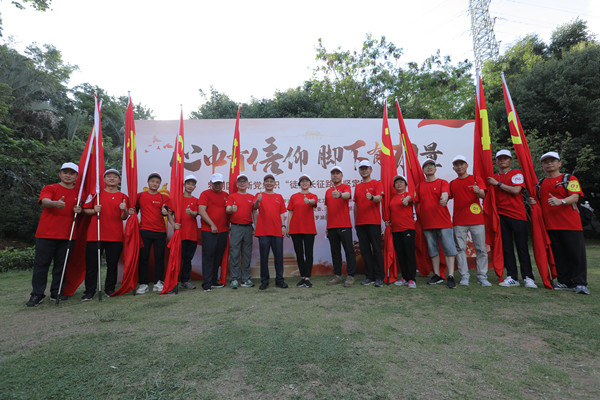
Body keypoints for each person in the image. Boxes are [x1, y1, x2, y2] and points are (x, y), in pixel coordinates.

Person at [530, 151, 589, 295]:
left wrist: (561, 201)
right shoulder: (540, 183)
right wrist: (533, 203)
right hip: (550, 225)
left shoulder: (569, 178)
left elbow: (575, 197)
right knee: (559, 255)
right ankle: (564, 281)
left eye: (553, 161)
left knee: (576, 254)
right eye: (546, 162)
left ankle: (580, 283)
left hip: (571, 224)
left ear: (559, 163)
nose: (549, 164)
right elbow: (539, 203)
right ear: (542, 166)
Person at [27, 162, 83, 307]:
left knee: (61, 266)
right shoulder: (50, 188)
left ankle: (56, 292)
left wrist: (80, 210)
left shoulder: (79, 192)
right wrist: (55, 203)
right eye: (65, 172)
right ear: (60, 174)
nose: (68, 175)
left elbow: (83, 209)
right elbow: (44, 201)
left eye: (72, 173)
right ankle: (37, 294)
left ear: (76, 176)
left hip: (68, 235)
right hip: (46, 234)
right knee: (41, 265)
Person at [487, 149, 537, 289]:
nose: (502, 160)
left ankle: (528, 277)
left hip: (517, 215)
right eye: (500, 158)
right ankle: (512, 277)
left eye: (505, 158)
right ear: (496, 161)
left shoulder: (516, 173)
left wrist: (497, 184)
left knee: (522, 247)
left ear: (510, 160)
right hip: (501, 216)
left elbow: (516, 190)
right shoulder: (494, 176)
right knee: (507, 248)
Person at [82, 169, 132, 301]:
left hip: (114, 236)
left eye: (115, 177)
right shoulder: (96, 194)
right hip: (95, 235)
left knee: (112, 264)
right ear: (104, 179)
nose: (112, 178)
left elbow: (124, 217)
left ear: (119, 180)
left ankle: (109, 289)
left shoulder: (123, 196)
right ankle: (89, 291)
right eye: (109, 176)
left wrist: (124, 210)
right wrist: (94, 210)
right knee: (92, 265)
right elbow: (85, 210)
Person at [449, 155, 491, 287]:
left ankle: (482, 276)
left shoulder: (476, 179)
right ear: (453, 168)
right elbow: (446, 196)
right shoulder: (452, 183)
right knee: (460, 249)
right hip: (459, 221)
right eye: (456, 165)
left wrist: (478, 191)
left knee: (481, 249)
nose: (459, 167)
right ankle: (464, 276)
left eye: (462, 164)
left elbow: (483, 195)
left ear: (466, 165)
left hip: (476, 219)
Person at [416, 159, 458, 289]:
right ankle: (437, 275)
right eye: (426, 166)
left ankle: (450, 276)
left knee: (449, 249)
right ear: (423, 170)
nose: (429, 168)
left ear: (435, 168)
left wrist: (444, 199)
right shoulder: (419, 186)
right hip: (427, 224)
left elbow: (445, 194)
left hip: (443, 222)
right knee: (432, 250)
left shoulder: (442, 182)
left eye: (431, 165)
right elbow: (417, 202)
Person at [136, 172, 170, 294]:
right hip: (144, 231)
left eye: (157, 182)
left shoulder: (163, 197)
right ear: (148, 182)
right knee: (143, 257)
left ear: (160, 184)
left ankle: (158, 282)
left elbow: (167, 212)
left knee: (159, 258)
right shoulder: (140, 196)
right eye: (153, 181)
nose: (155, 184)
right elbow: (134, 212)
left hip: (160, 232)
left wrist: (165, 212)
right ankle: (143, 284)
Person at [354, 160, 385, 287]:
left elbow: (379, 198)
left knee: (376, 250)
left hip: (373, 223)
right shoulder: (358, 187)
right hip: (360, 224)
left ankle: (379, 277)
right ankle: (369, 276)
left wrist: (371, 197)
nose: (364, 171)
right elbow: (356, 205)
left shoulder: (377, 183)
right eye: (362, 168)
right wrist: (356, 223)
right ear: (359, 171)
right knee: (365, 251)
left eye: (366, 168)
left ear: (371, 170)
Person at [254, 174, 288, 290]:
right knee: (264, 257)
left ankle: (280, 280)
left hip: (277, 231)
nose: (269, 183)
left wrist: (283, 226)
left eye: (271, 181)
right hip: (263, 231)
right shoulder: (259, 195)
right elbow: (255, 207)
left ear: (275, 184)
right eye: (267, 181)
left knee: (279, 257)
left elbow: (282, 213)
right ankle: (264, 281)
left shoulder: (279, 196)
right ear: (264, 183)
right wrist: (257, 201)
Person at [325, 166, 357, 287]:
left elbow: (347, 195)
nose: (335, 175)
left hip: (344, 225)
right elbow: (327, 209)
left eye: (337, 173)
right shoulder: (328, 191)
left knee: (349, 251)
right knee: (335, 252)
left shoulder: (345, 187)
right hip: (331, 226)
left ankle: (351, 275)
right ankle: (337, 275)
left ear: (341, 175)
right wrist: (327, 226)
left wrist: (339, 195)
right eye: (333, 173)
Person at [198, 173, 229, 292]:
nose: (217, 185)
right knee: (208, 256)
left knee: (218, 256)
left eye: (219, 183)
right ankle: (206, 283)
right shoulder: (205, 194)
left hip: (223, 231)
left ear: (222, 183)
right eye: (215, 183)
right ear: (211, 183)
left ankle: (214, 280)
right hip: (209, 231)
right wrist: (212, 224)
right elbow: (201, 211)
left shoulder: (226, 195)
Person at [168, 174, 199, 290]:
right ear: (184, 185)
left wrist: (191, 213)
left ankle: (185, 281)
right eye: (188, 183)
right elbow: (169, 213)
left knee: (188, 259)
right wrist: (173, 224)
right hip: (180, 234)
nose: (190, 186)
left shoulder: (195, 200)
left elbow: (197, 213)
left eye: (193, 184)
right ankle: (174, 281)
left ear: (195, 187)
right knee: (178, 259)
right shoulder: (177, 199)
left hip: (192, 235)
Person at [287, 174, 318, 288]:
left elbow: (313, 202)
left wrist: (308, 201)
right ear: (299, 184)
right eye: (302, 181)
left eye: (307, 181)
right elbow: (290, 212)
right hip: (295, 229)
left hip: (309, 229)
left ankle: (307, 277)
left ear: (310, 184)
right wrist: (288, 227)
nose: (304, 183)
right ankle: (302, 277)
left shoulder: (313, 195)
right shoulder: (294, 196)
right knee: (299, 253)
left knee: (309, 253)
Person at [226, 174, 256, 289]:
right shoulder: (232, 196)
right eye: (240, 182)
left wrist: (256, 226)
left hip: (248, 227)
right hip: (236, 227)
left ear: (248, 184)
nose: (242, 183)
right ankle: (234, 279)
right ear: (237, 184)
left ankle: (246, 279)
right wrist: (231, 209)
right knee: (234, 253)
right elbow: (227, 209)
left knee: (247, 254)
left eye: (244, 181)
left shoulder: (251, 197)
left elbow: (254, 212)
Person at [388, 176, 418, 289]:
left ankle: (411, 279)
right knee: (400, 254)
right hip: (396, 230)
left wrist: (406, 199)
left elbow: (411, 197)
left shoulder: (408, 194)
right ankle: (404, 277)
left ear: (405, 184)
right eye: (396, 183)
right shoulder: (392, 198)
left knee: (409, 254)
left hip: (407, 229)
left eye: (401, 182)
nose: (399, 184)